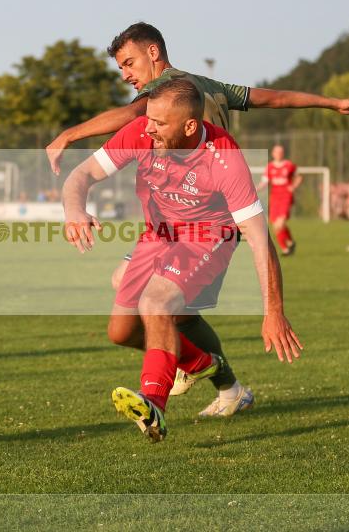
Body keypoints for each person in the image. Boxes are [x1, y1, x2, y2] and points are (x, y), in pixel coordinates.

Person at [48, 22, 349, 413]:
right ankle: (208, 370)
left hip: (211, 222)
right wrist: (331, 102)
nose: (127, 75)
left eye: (128, 63)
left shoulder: (161, 100)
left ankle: (161, 396)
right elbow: (272, 98)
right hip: (164, 226)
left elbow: (130, 114)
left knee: (160, 305)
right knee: (135, 322)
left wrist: (70, 135)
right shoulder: (198, 91)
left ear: (154, 53)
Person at [62, 79, 302, 442]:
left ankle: (153, 403)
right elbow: (82, 174)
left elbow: (258, 238)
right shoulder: (144, 131)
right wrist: (75, 209)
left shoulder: (224, 158)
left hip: (208, 237)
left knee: (156, 302)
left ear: (190, 127)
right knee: (122, 331)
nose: (149, 128)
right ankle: (199, 363)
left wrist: (273, 310)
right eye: (149, 119)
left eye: (159, 123)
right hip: (158, 234)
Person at [259, 145, 302, 255]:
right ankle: (289, 244)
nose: (278, 154)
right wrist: (255, 189)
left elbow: (299, 177)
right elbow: (264, 182)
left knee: (280, 224)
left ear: (283, 153)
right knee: (275, 226)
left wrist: (293, 186)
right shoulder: (269, 167)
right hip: (275, 198)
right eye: (276, 152)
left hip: (286, 197)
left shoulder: (289, 165)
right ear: (273, 154)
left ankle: (286, 249)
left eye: (280, 152)